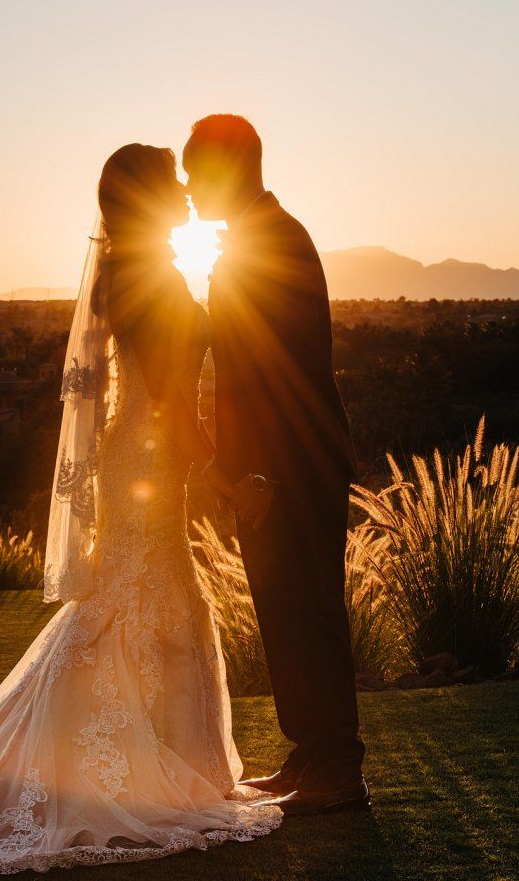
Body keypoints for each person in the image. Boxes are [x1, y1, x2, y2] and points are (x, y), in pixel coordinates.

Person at [0, 144, 281, 878]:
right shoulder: (155, 281)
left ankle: (136, 760)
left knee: (134, 594)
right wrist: (231, 482)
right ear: (144, 197)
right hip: (150, 457)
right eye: (169, 182)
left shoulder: (123, 274)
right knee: (145, 595)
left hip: (131, 458)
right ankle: (134, 767)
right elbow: (172, 404)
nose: (181, 190)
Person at [184, 114, 369, 815]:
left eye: (197, 175)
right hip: (277, 467)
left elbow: (275, 375)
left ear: (228, 168)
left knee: (308, 611)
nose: (192, 192)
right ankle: (309, 754)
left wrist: (258, 473)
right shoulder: (259, 241)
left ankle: (335, 767)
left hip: (290, 466)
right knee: (286, 613)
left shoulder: (273, 244)